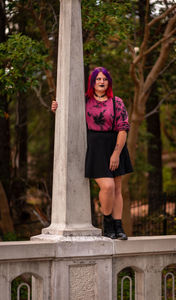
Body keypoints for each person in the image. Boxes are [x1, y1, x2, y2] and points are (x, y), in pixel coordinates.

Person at [51, 67, 133, 240]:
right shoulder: (84, 100)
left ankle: (118, 228)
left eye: (104, 79)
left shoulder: (116, 102)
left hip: (115, 144)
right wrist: (56, 107)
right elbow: (67, 111)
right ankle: (107, 221)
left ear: (108, 82)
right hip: (95, 147)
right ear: (93, 82)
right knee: (108, 186)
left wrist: (116, 153)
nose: (101, 82)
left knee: (117, 189)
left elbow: (123, 129)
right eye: (98, 79)